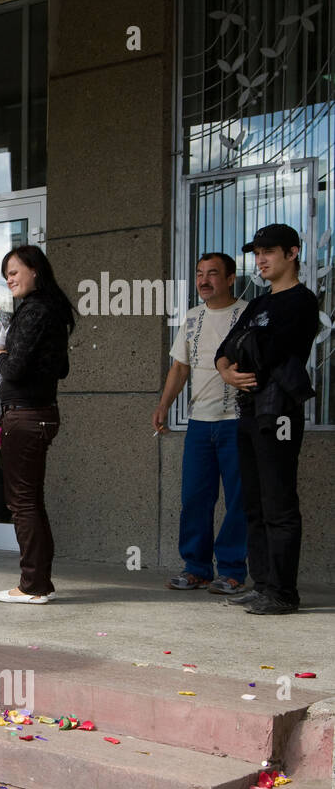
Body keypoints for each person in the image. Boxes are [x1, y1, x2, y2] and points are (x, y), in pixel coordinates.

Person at [214, 224, 320, 615]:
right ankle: (262, 585)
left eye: (269, 252)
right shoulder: (258, 304)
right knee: (252, 505)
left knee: (279, 505)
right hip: (248, 410)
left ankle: (283, 593)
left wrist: (243, 349)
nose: (260, 260)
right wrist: (226, 370)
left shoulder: (302, 302)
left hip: (279, 413)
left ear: (292, 253)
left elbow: (268, 351)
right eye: (256, 253)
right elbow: (226, 349)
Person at [0, 245, 75, 604]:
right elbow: (61, 368)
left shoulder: (35, 310)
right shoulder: (52, 308)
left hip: (25, 415)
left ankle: (33, 585)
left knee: (22, 502)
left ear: (35, 270)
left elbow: (15, 367)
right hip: (40, 413)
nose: (9, 278)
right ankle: (39, 582)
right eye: (5, 273)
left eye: (14, 271)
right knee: (30, 501)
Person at [154, 253, 248, 595]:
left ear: (231, 278)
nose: (204, 280)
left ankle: (233, 571)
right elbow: (180, 368)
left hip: (237, 421)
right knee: (195, 497)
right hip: (199, 423)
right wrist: (164, 405)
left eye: (213, 274)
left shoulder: (247, 314)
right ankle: (196, 568)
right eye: (199, 274)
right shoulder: (192, 318)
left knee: (238, 499)